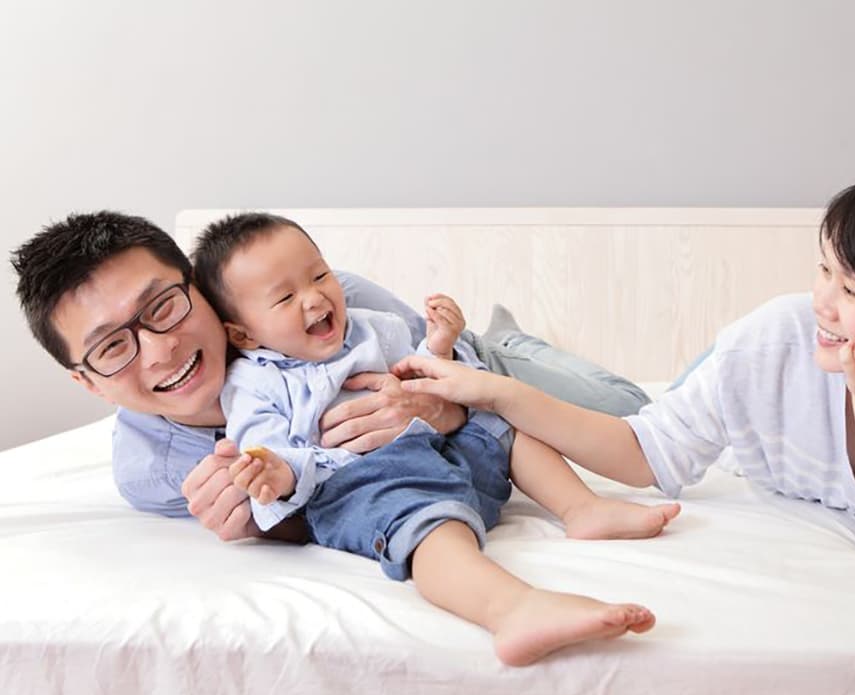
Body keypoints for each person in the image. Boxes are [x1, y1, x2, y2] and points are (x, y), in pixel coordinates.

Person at [391, 165, 855, 569]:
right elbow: (641, 454)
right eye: (823, 270)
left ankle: (515, 349)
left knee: (616, 398)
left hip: (765, 377)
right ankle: (507, 348)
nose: (823, 300)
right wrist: (496, 390)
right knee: (616, 406)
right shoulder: (775, 339)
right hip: (741, 362)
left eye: (850, 291)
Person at [187, 213, 670, 665]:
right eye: (285, 298)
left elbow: (425, 376)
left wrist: (439, 343)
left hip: (440, 448)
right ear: (244, 335)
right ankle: (511, 608)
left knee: (498, 417)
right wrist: (278, 470)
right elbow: (265, 451)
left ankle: (580, 507)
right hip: (361, 482)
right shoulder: (253, 382)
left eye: (319, 276)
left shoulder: (374, 326)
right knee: (424, 523)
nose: (314, 299)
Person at [11, 211, 649, 543]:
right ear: (88, 382)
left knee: (629, 411)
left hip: (473, 362)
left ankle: (513, 333)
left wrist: (439, 407)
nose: (158, 350)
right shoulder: (148, 472)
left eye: (163, 306)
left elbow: (446, 372)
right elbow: (314, 504)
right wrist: (268, 526)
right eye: (112, 347)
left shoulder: (328, 306)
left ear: (200, 289)